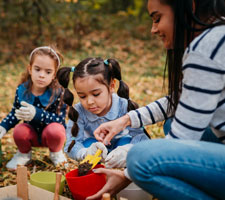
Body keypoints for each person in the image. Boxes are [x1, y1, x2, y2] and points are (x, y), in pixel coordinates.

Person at [87, 0, 225, 199]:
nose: (153, 29)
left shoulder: (205, 50)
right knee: (170, 124)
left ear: (190, 6)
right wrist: (125, 120)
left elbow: (182, 140)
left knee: (140, 159)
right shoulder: (218, 34)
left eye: (157, 18)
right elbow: (181, 101)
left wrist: (127, 173)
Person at [56, 57, 149, 168]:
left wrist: (127, 150)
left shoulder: (123, 105)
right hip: (96, 150)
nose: (89, 102)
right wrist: (86, 153)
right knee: (88, 144)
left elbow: (141, 138)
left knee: (126, 142)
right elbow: (71, 146)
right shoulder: (79, 111)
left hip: (121, 147)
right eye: (82, 96)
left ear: (111, 86)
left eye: (96, 94)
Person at [0, 46, 68, 170]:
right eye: (37, 69)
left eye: (48, 72)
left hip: (51, 136)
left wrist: (37, 114)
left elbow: (60, 120)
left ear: (54, 75)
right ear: (30, 69)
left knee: (56, 130)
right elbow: (16, 113)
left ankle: (56, 153)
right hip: (31, 135)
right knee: (20, 130)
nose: (42, 75)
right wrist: (3, 126)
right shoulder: (22, 90)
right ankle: (24, 154)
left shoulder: (58, 93)